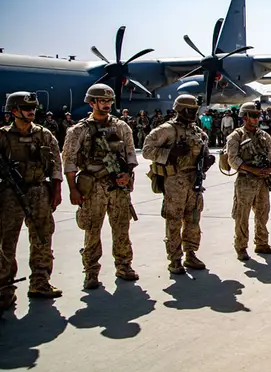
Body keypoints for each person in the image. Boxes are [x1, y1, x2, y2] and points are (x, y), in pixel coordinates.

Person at [62, 84, 139, 289]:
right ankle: (91, 271)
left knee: (122, 227)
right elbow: (69, 162)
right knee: (92, 229)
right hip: (93, 185)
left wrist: (127, 175)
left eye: (109, 101)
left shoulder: (122, 127)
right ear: (92, 102)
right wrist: (73, 189)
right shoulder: (78, 130)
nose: (106, 105)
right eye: (102, 101)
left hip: (118, 186)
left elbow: (130, 154)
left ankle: (124, 266)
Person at [0, 92, 63, 309]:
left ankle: (40, 282)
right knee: (6, 241)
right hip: (10, 193)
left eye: (33, 108)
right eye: (26, 108)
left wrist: (57, 189)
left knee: (42, 237)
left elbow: (56, 164)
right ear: (14, 111)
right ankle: (4, 290)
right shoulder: (3, 136)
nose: (31, 111)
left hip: (39, 191)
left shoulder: (44, 135)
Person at [142, 95, 215, 273]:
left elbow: (202, 151)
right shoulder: (167, 130)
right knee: (174, 220)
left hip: (194, 180)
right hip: (175, 180)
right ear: (180, 110)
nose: (193, 114)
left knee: (193, 218)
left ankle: (190, 253)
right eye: (189, 111)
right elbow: (146, 150)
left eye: (195, 111)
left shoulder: (198, 132)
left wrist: (206, 161)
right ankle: (174, 259)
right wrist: (170, 153)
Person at [223, 102, 271, 261]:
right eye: (254, 115)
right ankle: (241, 247)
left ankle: (261, 243)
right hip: (245, 181)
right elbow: (232, 159)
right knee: (242, 216)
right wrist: (252, 170)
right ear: (245, 117)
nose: (257, 118)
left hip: (262, 181)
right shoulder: (236, 136)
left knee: (263, 213)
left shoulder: (264, 135)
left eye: (258, 115)